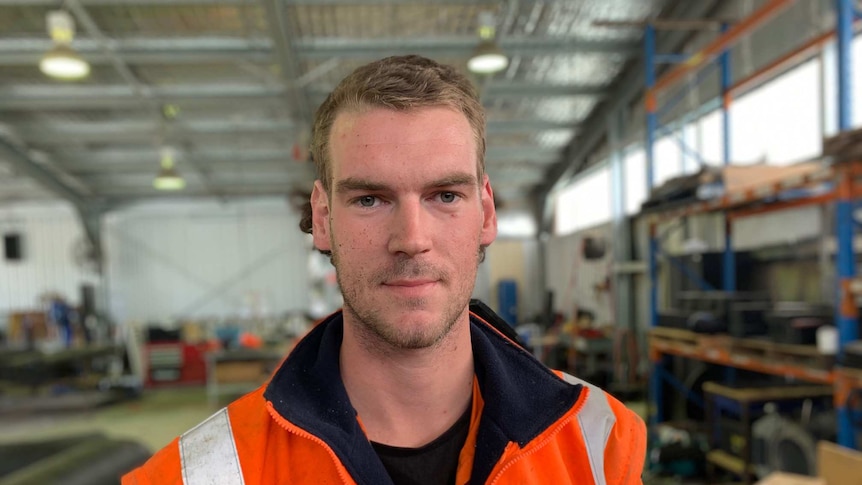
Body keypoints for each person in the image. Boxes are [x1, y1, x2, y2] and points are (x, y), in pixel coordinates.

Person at [123, 55, 646, 485]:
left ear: (486, 213)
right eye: (370, 199)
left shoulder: (600, 445)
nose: (412, 239)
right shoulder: (201, 473)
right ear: (323, 218)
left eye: (445, 195)